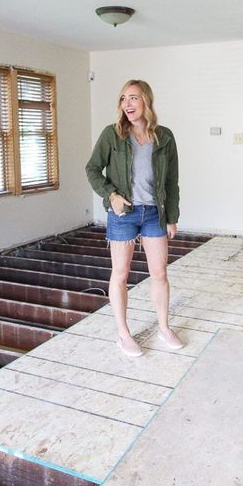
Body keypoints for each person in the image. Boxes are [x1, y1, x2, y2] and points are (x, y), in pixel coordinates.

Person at [85, 79, 183, 357]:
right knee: (121, 274)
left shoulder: (164, 137)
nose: (127, 104)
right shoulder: (112, 135)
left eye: (134, 98)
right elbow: (92, 169)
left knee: (160, 273)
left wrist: (172, 216)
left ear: (146, 102)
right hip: (123, 213)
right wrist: (111, 195)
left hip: (154, 212)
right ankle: (123, 334)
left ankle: (164, 327)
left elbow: (172, 181)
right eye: (123, 99)